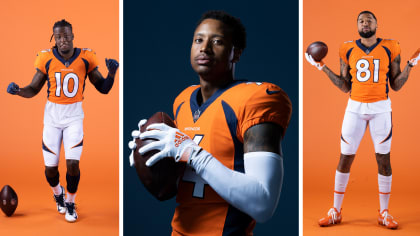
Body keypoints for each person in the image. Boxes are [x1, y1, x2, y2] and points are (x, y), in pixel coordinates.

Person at [128, 10, 292, 235]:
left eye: (217, 41)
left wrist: (193, 153)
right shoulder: (183, 100)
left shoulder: (255, 99)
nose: (204, 48)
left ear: (236, 53)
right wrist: (149, 156)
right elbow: (170, 190)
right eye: (198, 40)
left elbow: (263, 204)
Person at [305, 10, 420, 229]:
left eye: (369, 19)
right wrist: (322, 67)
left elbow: (395, 85)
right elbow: (344, 85)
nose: (364, 22)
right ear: (356, 25)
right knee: (345, 158)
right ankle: (336, 211)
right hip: (354, 109)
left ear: (377, 23)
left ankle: (384, 212)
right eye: (360, 20)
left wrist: (411, 66)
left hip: (381, 110)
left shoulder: (391, 46)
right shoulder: (346, 48)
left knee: (383, 160)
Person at [7, 19, 119, 223]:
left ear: (73, 35)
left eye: (66, 35)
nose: (63, 39)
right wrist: (19, 91)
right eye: (58, 36)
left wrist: (111, 74)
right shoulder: (46, 58)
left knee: (73, 165)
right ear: (54, 38)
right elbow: (33, 89)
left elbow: (103, 88)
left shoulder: (86, 58)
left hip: (74, 118)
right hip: (51, 119)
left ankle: (69, 202)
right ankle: (58, 193)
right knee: (50, 169)